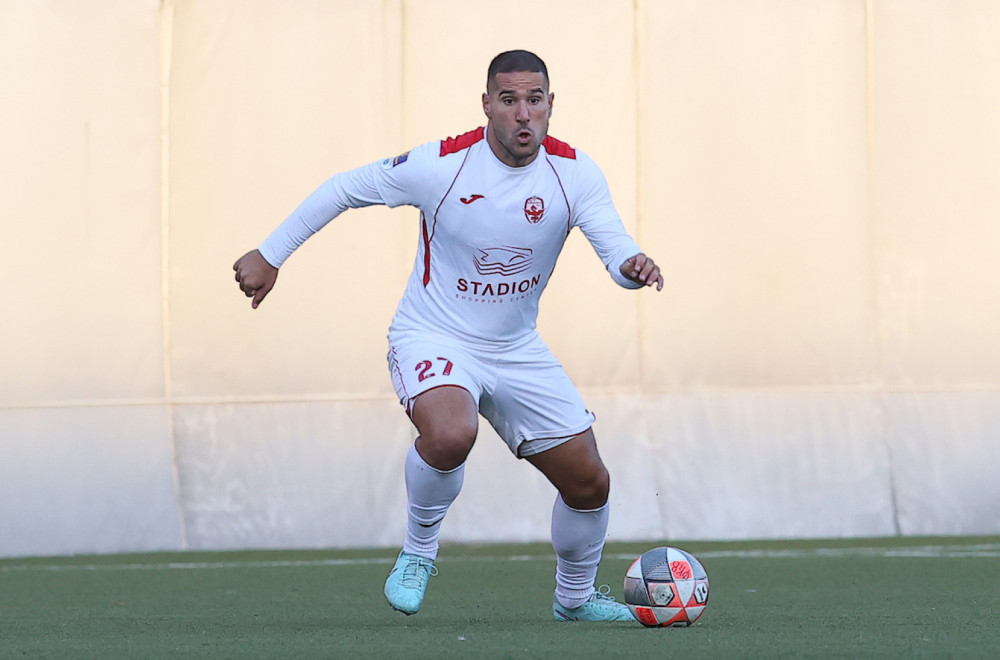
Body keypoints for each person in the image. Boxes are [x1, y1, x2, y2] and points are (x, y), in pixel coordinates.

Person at [233, 50, 663, 622]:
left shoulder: (575, 173)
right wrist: (270, 254)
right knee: (452, 432)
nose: (523, 114)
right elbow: (344, 188)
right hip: (433, 336)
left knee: (589, 482)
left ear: (551, 105)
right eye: (509, 100)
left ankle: (576, 598)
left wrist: (632, 268)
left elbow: (615, 249)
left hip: (515, 348)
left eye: (534, 100)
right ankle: (418, 552)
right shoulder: (443, 164)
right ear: (486, 105)